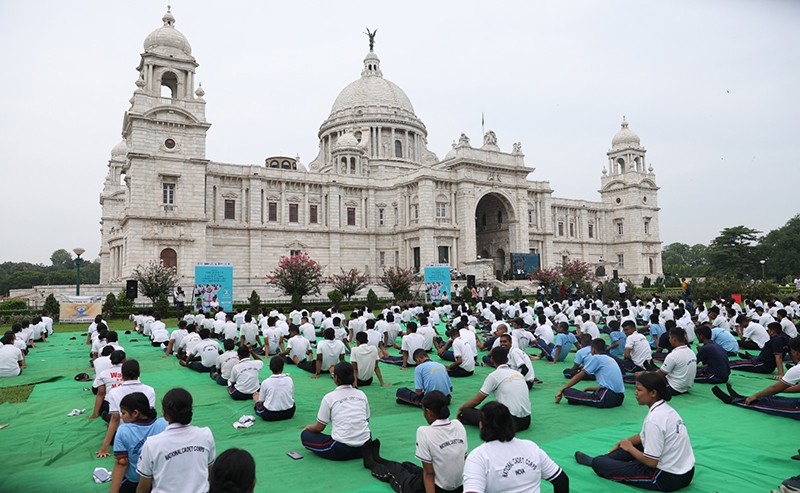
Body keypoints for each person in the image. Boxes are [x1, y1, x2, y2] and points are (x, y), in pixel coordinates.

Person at [574, 372, 695, 491]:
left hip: (666, 477)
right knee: (631, 444)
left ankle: (599, 462)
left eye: (639, 390)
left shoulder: (654, 420)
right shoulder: (667, 410)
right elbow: (643, 436)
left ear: (653, 393)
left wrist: (629, 448)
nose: (635, 393)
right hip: (686, 472)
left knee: (599, 463)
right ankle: (608, 460)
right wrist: (623, 442)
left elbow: (651, 462)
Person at [368, 391, 468, 493]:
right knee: (414, 469)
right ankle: (400, 464)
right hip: (460, 486)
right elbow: (464, 462)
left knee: (399, 475)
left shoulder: (424, 432)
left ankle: (372, 463)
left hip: (437, 487)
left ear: (428, 412)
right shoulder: (458, 425)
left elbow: (429, 474)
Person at [463, 402, 569, 493]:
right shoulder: (530, 447)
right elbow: (561, 480)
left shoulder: (478, 457)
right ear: (510, 423)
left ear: (481, 425)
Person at [137, 388, 216, 493]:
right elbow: (210, 473)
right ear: (190, 410)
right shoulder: (205, 434)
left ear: (164, 414)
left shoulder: (152, 444)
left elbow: (143, 488)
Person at [712, 336, 800, 420]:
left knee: (770, 404)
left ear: (797, 353)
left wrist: (755, 396)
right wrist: (781, 389)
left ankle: (734, 400)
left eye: (791, 351)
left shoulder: (796, 369)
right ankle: (741, 397)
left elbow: (774, 388)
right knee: (776, 398)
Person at [301, 362, 372, 461]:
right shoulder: (362, 395)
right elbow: (366, 420)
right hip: (366, 446)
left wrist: (308, 428)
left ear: (336, 378)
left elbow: (319, 428)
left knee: (305, 435)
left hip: (342, 449)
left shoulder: (329, 397)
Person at [458, 347, 531, 432]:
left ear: (491, 359)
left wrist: (461, 409)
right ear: (507, 359)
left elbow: (476, 401)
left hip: (510, 422)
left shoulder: (494, 376)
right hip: (526, 421)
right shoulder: (518, 374)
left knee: (466, 411)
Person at [97, 359, 157, 458]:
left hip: (124, 435)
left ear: (122, 375)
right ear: (139, 373)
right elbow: (150, 415)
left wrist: (104, 448)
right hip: (145, 435)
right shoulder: (149, 390)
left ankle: (105, 416)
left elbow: (115, 419)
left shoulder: (114, 392)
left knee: (109, 416)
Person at [110, 392, 168, 493]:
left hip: (135, 482)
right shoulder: (164, 423)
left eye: (123, 413)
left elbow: (122, 463)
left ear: (135, 413)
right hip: (162, 480)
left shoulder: (123, 431)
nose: (121, 416)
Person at [555, 339, 625, 408]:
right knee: (574, 399)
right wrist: (588, 388)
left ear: (593, 349)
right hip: (619, 399)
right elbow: (607, 386)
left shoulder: (596, 358)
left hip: (606, 398)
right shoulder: (610, 359)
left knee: (567, 392)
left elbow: (578, 376)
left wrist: (561, 390)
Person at [254, 355, 295, 421]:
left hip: (270, 414)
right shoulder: (289, 379)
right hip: (289, 413)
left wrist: (256, 399)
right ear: (282, 367)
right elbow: (292, 397)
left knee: (257, 399)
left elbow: (261, 400)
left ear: (270, 368)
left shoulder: (266, 382)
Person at [656, 328, 697, 396]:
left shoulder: (673, 355)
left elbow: (660, 374)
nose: (669, 340)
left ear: (674, 339)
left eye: (670, 338)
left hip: (674, 388)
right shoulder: (691, 352)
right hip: (686, 387)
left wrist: (645, 375)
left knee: (648, 379)